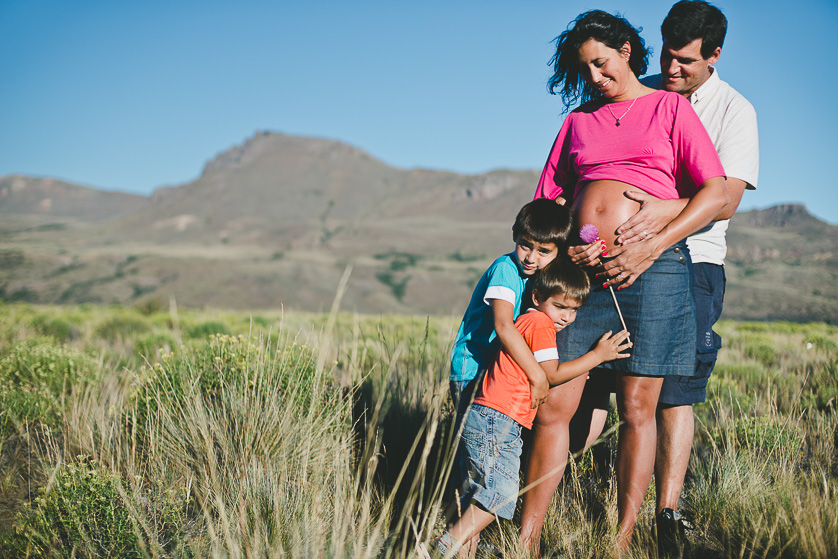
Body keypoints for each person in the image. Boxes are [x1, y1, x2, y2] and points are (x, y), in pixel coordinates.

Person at [519, 10, 729, 551]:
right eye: (584, 67)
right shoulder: (577, 122)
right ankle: (528, 535)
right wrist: (567, 244)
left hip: (654, 272)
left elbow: (714, 193)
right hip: (582, 281)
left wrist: (655, 243)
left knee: (639, 408)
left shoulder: (669, 108)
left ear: (628, 51)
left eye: (601, 62)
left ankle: (622, 541)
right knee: (556, 403)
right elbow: (550, 203)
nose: (593, 76)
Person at [570, 2, 759, 556]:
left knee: (672, 393)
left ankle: (666, 514)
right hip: (613, 267)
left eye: (685, 62)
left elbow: (723, 198)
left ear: (714, 55)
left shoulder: (733, 111)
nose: (671, 70)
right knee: (600, 388)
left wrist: (661, 215)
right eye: (667, 57)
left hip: (691, 261)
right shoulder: (640, 92)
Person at [432, 260, 631, 558]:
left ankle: (457, 550)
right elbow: (551, 375)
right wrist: (596, 356)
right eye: (560, 306)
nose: (566, 317)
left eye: (574, 310)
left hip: (492, 416)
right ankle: (442, 546)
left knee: (478, 491)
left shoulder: (527, 320)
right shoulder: (540, 324)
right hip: (499, 419)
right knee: (501, 495)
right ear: (537, 297)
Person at [447, 199, 572, 514]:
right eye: (525, 246)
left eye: (544, 251)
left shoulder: (536, 281)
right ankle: (452, 544)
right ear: (515, 239)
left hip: (492, 376)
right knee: (478, 471)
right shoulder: (506, 270)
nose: (531, 257)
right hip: (473, 371)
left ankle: (460, 545)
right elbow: (503, 326)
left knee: (478, 470)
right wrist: (538, 376)